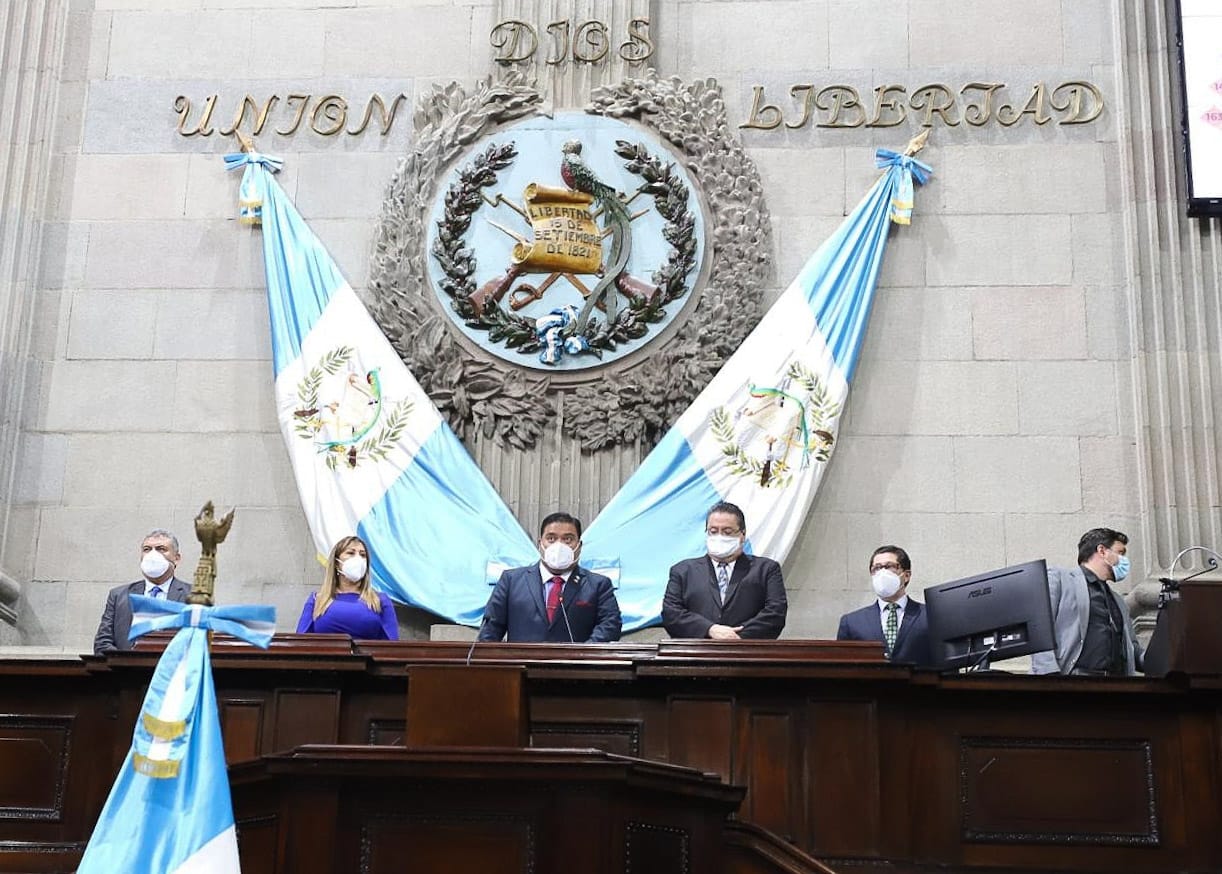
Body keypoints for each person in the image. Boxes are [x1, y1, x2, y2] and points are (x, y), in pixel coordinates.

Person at [478, 512, 622, 643]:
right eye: (551, 538)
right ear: (540, 543)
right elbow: (490, 629)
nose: (559, 545)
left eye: (568, 539)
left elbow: (610, 626)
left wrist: (582, 655)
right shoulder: (511, 581)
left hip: (576, 669)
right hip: (520, 668)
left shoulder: (598, 585)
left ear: (579, 545)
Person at [662, 502, 787, 640]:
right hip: (696, 655)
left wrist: (735, 637)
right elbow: (671, 613)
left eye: (727, 532)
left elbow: (776, 612)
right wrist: (709, 629)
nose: (719, 537)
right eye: (713, 531)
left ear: (742, 535)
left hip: (748, 653)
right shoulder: (683, 571)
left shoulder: (766, 569)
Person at [1031, 527, 1143, 676]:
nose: (1125, 560)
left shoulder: (1118, 601)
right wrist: (1049, 676)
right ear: (1102, 551)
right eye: (1120, 553)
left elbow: (1132, 649)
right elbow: (1039, 629)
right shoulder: (1059, 578)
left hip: (1116, 686)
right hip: (1074, 681)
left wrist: (1160, 659)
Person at [93, 529, 191, 654]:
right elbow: (103, 643)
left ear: (176, 558)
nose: (153, 555)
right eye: (147, 549)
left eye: (161, 549)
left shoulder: (194, 596)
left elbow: (199, 644)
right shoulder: (119, 595)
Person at [836, 545, 931, 665]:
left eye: (889, 566)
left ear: (906, 575)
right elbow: (843, 668)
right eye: (876, 568)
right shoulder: (852, 622)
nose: (882, 572)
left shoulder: (931, 616)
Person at [296, 535, 398, 640]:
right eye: (351, 553)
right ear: (336, 563)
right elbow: (301, 642)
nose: (358, 558)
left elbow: (391, 646)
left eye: (363, 555)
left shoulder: (380, 600)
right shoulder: (317, 599)